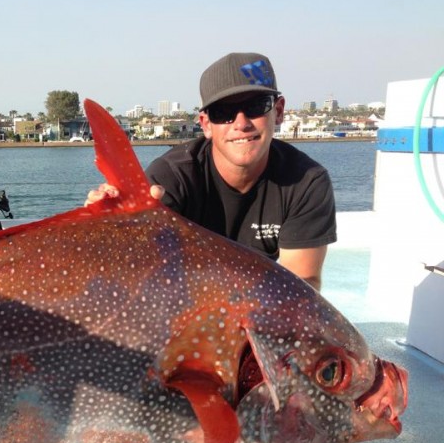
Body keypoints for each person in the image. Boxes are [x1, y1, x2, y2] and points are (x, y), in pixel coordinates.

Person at [87, 52, 336, 291]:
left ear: (279, 111)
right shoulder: (171, 178)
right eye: (223, 112)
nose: (241, 123)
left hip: (255, 313)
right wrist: (105, 229)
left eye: (256, 106)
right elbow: (136, 274)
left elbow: (303, 285)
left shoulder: (307, 182)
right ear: (206, 124)